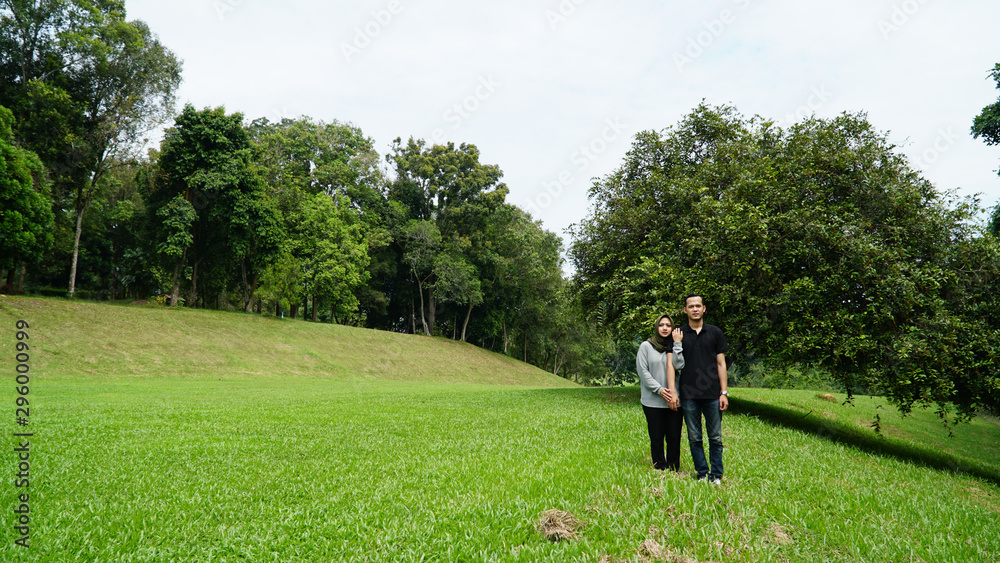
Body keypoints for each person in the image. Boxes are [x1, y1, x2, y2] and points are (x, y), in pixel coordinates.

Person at [666, 294, 728, 484]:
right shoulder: (678, 334)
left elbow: (721, 364)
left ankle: (716, 475)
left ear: (704, 308)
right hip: (688, 394)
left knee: (715, 437)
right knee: (694, 437)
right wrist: (673, 392)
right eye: (690, 306)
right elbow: (670, 365)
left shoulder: (715, 332)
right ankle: (702, 473)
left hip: (712, 394)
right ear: (685, 310)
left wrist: (724, 392)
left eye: (698, 306)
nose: (694, 309)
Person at [636, 314, 685, 471]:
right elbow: (643, 372)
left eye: (668, 325)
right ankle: (659, 466)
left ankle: (673, 467)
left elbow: (679, 366)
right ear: (656, 327)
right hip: (652, 400)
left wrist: (677, 345)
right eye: (661, 325)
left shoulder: (678, 345)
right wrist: (659, 389)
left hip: (674, 398)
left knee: (674, 436)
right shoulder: (646, 346)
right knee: (656, 436)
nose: (665, 328)